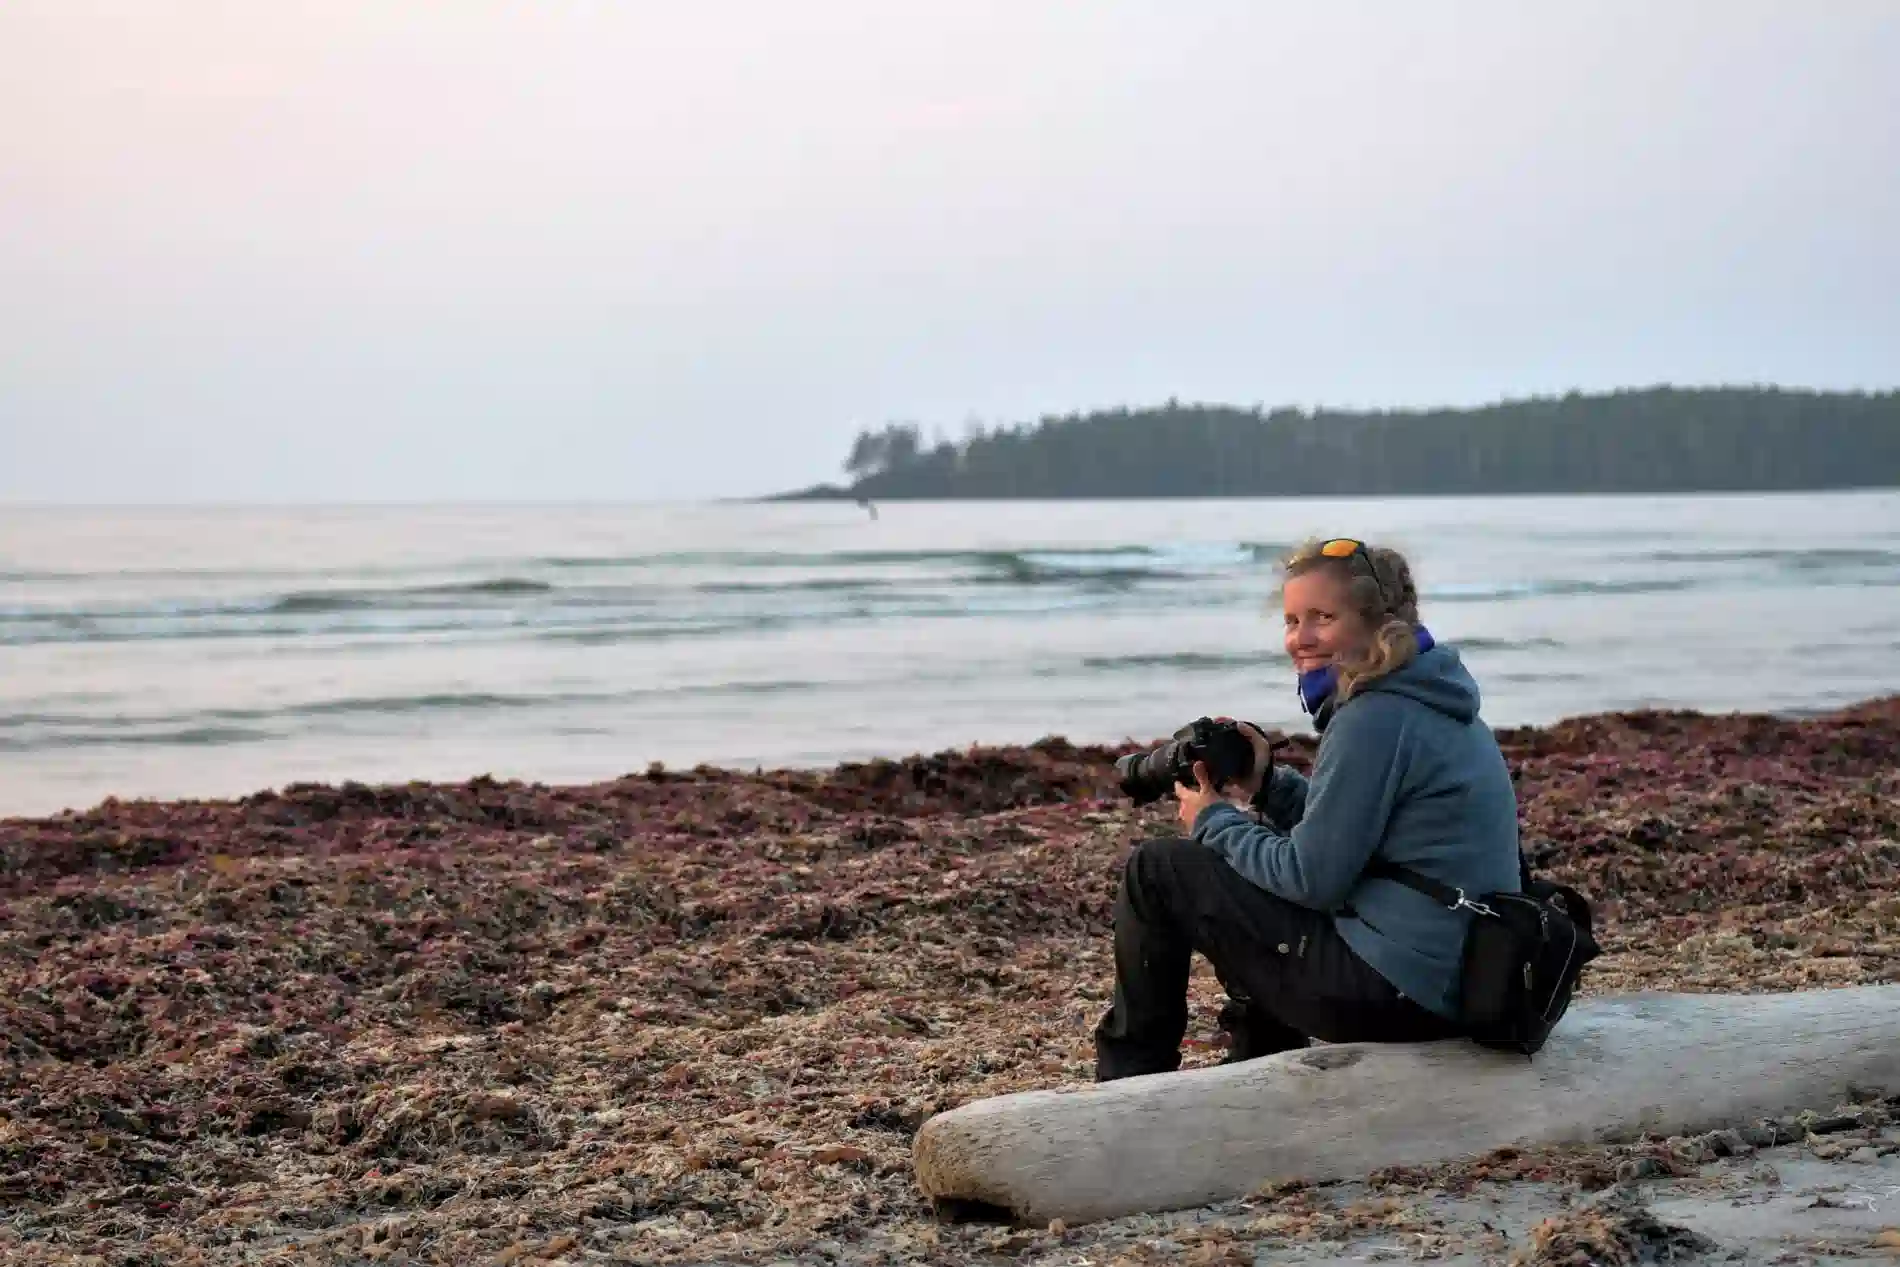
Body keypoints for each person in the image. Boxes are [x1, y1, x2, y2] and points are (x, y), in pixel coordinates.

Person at [1092, 537, 1523, 1081]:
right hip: (1457, 974)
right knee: (1253, 886)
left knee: (1157, 871)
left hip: (1400, 990)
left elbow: (1311, 878)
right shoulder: (1428, 696)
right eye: (1292, 620)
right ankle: (1261, 1064)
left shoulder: (1374, 719)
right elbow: (1357, 840)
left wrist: (1213, 819)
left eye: (1323, 617)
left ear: (1375, 621)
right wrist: (1267, 785)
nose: (1301, 638)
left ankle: (1129, 1083)